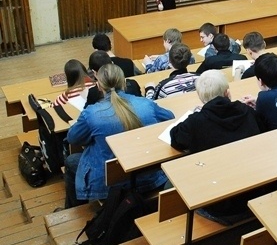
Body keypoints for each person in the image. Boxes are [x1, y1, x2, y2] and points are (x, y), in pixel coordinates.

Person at [64, 64, 173, 208]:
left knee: (71, 160)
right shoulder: (146, 104)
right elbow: (170, 117)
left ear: (99, 85)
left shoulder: (92, 113)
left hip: (109, 184)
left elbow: (73, 138)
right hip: (150, 176)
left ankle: (75, 210)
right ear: (123, 82)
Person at [170, 70, 262, 154]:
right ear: (227, 93)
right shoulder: (246, 110)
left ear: (200, 97)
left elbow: (175, 139)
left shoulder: (195, 121)